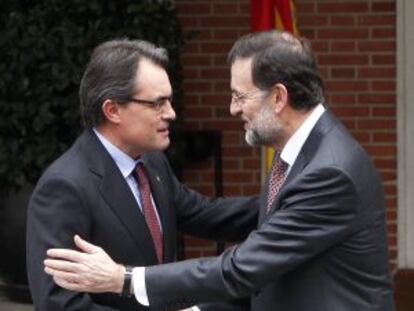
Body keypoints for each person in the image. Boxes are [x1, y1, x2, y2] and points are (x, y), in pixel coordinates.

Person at [44, 30, 395, 311]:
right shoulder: (302, 150)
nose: (232, 108)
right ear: (112, 109)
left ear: (278, 98)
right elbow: (228, 216)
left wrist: (124, 278)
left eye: (240, 97)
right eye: (158, 102)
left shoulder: (327, 172)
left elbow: (241, 269)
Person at [26, 38, 259, 311]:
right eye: (157, 103)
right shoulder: (64, 187)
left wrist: (288, 200)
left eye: (170, 101)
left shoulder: (151, 163)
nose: (171, 114)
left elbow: (207, 215)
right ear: (112, 110)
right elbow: (60, 305)